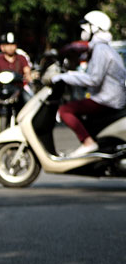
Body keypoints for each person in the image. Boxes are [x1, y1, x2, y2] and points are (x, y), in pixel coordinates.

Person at [52, 10, 126, 158]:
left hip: (107, 100)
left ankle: (88, 143)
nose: (83, 31)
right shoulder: (102, 48)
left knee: (65, 110)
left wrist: (65, 77)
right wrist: (70, 74)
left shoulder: (101, 49)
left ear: (95, 28)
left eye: (86, 27)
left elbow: (93, 79)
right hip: (109, 97)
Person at [0, 32, 31, 131]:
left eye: (12, 45)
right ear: (2, 47)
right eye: (7, 45)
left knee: (29, 100)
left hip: (18, 89)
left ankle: (28, 123)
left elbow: (27, 71)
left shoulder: (21, 58)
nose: (10, 47)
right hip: (1, 89)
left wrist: (28, 76)